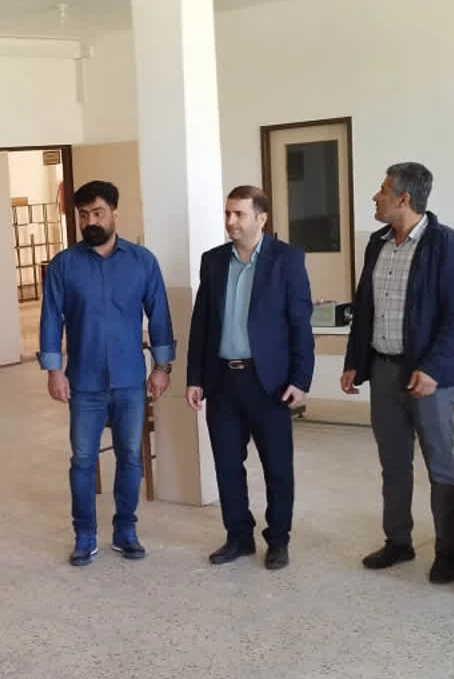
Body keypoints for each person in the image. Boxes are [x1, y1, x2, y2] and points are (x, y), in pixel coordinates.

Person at [340, 162, 454, 584]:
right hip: (383, 370)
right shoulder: (377, 243)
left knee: (440, 466)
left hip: (428, 377)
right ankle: (398, 541)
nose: (374, 196)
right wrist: (354, 361)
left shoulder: (448, 245)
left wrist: (432, 368)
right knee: (393, 464)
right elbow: (365, 307)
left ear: (404, 198)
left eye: (382, 190)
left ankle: (449, 551)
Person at [39, 179, 175, 565]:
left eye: (98, 213)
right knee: (83, 460)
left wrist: (162, 367)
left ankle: (125, 529)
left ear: (115, 212)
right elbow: (51, 319)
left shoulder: (142, 262)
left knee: (130, 457)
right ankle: (84, 534)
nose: (90, 221)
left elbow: (159, 315)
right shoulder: (64, 265)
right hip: (84, 382)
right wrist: (53, 370)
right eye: (83, 215)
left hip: (130, 380)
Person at [186, 186, 314, 570]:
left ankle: (278, 540)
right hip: (222, 380)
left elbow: (300, 325)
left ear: (261, 218)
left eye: (239, 214)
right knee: (227, 465)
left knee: (278, 467)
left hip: (269, 382)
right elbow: (201, 324)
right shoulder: (213, 261)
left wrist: (301, 379)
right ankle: (238, 537)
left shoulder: (287, 260)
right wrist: (195, 377)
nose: (230, 222)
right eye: (227, 213)